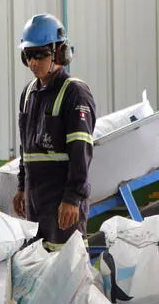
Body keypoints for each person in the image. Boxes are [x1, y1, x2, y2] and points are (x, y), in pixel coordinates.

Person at [12, 14, 96, 252]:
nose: (33, 62)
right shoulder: (28, 93)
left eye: (40, 54)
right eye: (28, 55)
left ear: (59, 53)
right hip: (35, 198)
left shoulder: (75, 93)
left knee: (66, 263)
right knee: (37, 261)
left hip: (62, 199)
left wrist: (72, 198)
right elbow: (25, 148)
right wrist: (21, 187)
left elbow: (81, 151)